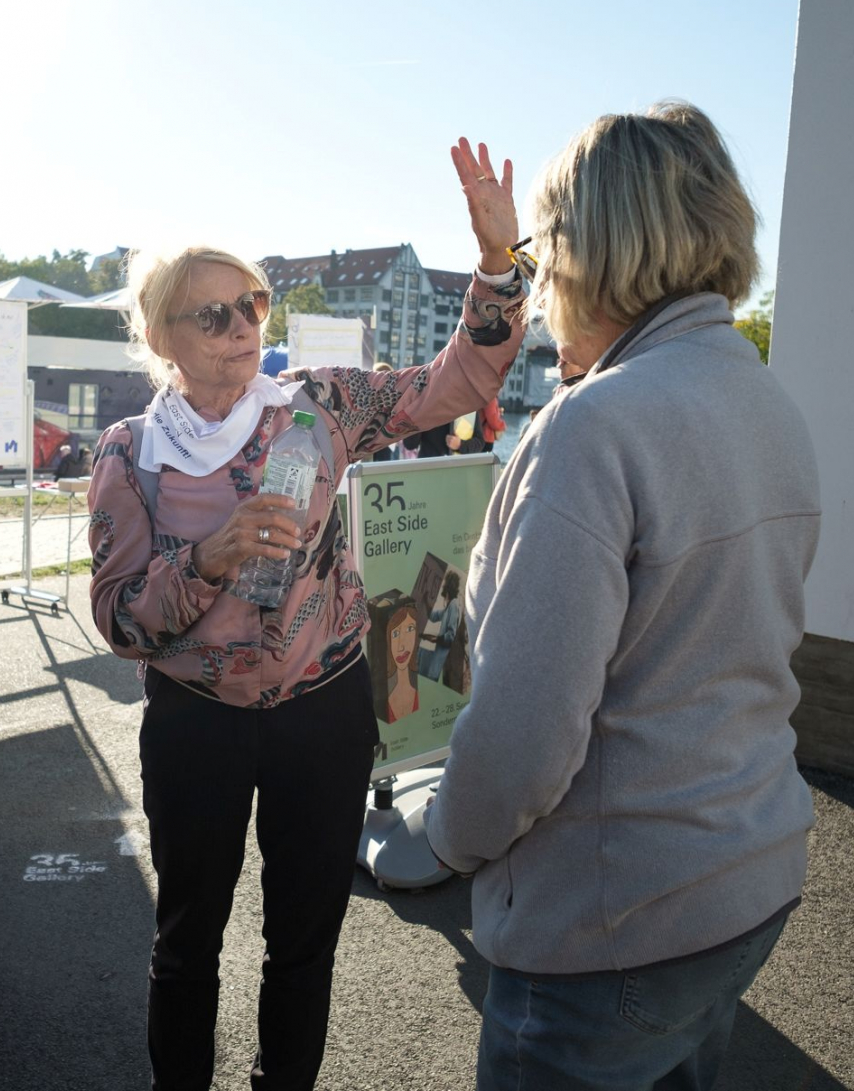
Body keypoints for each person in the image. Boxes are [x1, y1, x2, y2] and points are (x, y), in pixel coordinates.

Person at [87, 137, 527, 1091]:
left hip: (321, 716)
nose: (244, 326)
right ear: (163, 336)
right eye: (215, 312)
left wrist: (498, 267)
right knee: (186, 942)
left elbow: (456, 384)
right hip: (195, 726)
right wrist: (210, 558)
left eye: (254, 304)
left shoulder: (320, 407)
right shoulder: (130, 454)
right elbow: (121, 621)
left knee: (304, 943)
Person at [425, 102, 820, 1091]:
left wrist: (445, 838)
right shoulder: (761, 397)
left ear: (586, 248)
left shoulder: (594, 425)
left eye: (548, 246)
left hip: (613, 919)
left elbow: (523, 733)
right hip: (744, 869)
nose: (545, 271)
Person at [419, 570, 463, 684]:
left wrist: (435, 639)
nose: (442, 586)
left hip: (442, 658)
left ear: (448, 586)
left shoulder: (453, 604)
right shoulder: (449, 607)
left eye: (444, 583)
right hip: (439, 656)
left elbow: (450, 635)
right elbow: (434, 616)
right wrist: (425, 601)